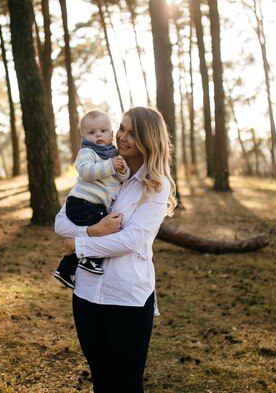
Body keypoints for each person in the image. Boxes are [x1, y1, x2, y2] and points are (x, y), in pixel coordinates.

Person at [55, 107, 177, 393]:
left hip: (127, 297)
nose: (122, 136)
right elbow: (61, 222)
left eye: (132, 133)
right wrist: (94, 231)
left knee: (125, 384)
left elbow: (130, 241)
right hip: (86, 293)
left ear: (149, 140)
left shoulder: (156, 185)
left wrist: (80, 243)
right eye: (121, 128)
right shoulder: (98, 167)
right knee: (101, 379)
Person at [54, 110, 130, 289]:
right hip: (81, 203)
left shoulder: (113, 155)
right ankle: (89, 258)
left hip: (91, 205)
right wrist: (110, 165)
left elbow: (121, 178)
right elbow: (86, 172)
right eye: (92, 132)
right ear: (84, 137)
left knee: (104, 227)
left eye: (103, 131)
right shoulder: (87, 152)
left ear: (111, 134)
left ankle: (65, 269)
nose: (98, 135)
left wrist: (122, 170)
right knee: (107, 227)